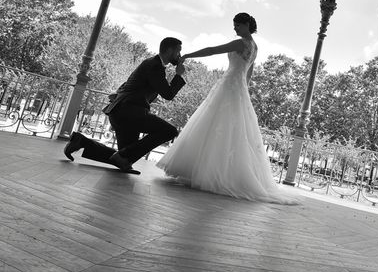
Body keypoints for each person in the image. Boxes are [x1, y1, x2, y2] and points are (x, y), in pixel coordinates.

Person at [157, 13, 298, 205]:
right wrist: (244, 93)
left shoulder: (241, 43)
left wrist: (189, 55)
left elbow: (213, 50)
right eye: (234, 26)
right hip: (237, 88)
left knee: (214, 123)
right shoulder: (255, 47)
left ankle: (209, 173)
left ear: (247, 24)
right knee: (232, 129)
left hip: (229, 85)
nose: (235, 29)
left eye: (237, 25)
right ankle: (217, 172)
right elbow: (249, 74)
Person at [63, 37, 186, 174]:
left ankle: (81, 141)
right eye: (178, 52)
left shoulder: (150, 63)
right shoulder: (156, 66)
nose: (179, 56)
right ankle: (120, 157)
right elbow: (168, 94)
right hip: (130, 113)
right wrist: (179, 76)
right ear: (169, 50)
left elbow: (129, 85)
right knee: (170, 131)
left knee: (124, 156)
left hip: (121, 112)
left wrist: (118, 94)